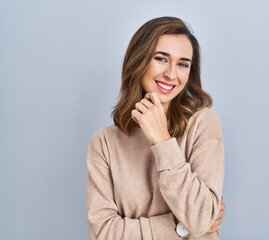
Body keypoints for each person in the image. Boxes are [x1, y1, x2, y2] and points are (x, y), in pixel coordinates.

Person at [86, 16, 225, 239]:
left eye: (183, 64)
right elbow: (103, 233)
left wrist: (162, 142)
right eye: (161, 59)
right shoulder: (104, 143)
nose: (171, 74)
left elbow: (200, 217)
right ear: (138, 60)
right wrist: (181, 228)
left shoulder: (203, 124)